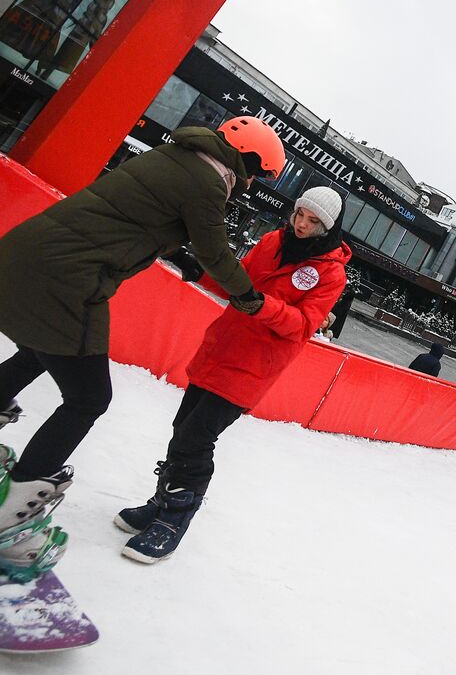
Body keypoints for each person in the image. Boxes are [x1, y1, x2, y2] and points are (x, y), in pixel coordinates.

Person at [0, 116, 285, 580]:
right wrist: (249, 297)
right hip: (69, 279)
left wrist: (175, 252)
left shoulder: (174, 156)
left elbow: (138, 216)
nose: (250, 183)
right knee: (88, 398)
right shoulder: (208, 182)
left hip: (28, 251)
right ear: (245, 158)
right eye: (257, 173)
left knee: (33, 353)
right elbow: (216, 253)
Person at [116, 185, 350, 563]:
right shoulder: (273, 240)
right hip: (221, 350)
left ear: (328, 227)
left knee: (195, 438)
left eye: (313, 221)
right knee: (182, 429)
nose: (302, 224)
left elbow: (304, 325)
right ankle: (161, 503)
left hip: (253, 367)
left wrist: (262, 306)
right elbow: (237, 279)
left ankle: (175, 519)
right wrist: (197, 268)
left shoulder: (330, 274)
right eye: (300, 214)